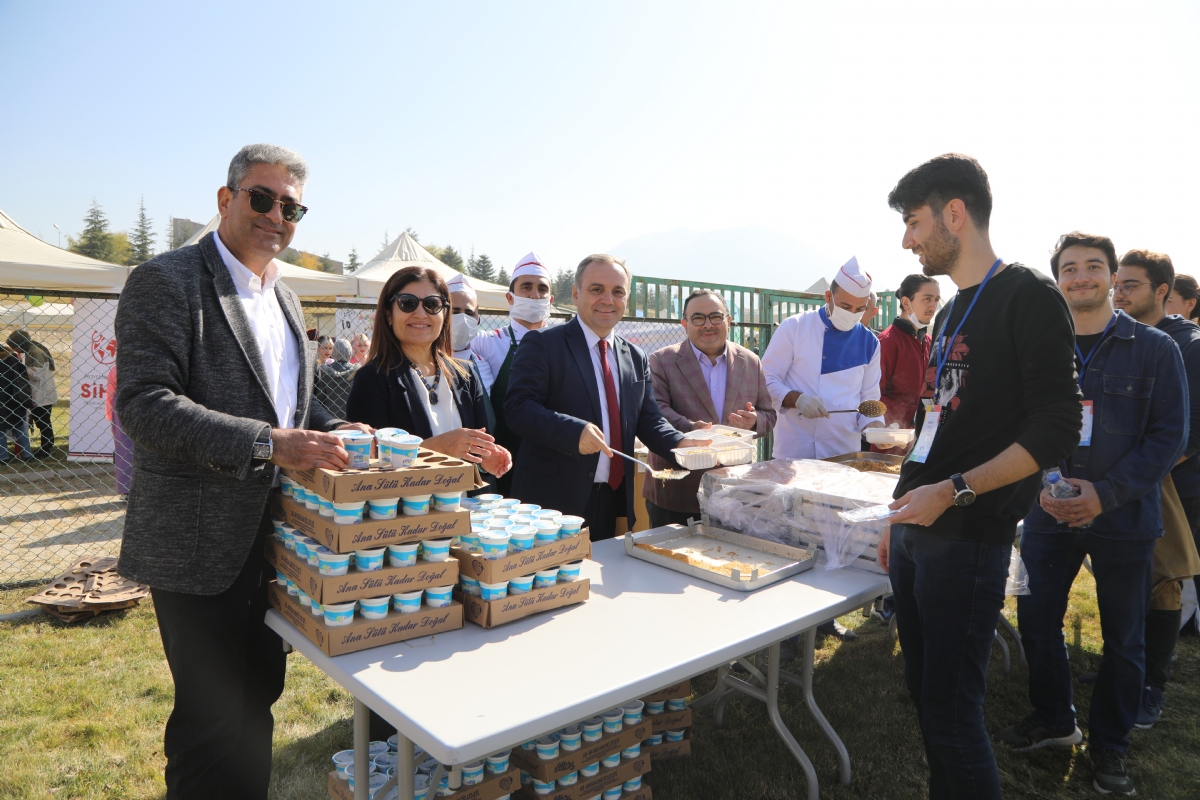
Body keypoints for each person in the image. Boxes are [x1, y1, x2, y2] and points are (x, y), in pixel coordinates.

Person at [114, 143, 369, 799]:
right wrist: (269, 444)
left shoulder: (283, 296)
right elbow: (144, 404)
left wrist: (335, 429)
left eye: (291, 207)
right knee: (209, 722)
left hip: (274, 542)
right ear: (226, 199)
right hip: (198, 544)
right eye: (262, 197)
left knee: (258, 699)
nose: (276, 215)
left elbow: (288, 408)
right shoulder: (166, 281)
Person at [877, 154, 1082, 800]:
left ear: (954, 214)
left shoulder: (1029, 295)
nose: (907, 240)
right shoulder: (948, 313)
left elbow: (1057, 429)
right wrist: (899, 507)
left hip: (968, 538)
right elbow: (933, 424)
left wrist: (953, 491)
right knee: (927, 699)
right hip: (919, 529)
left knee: (952, 713)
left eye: (914, 222)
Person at [997, 233, 1187, 796]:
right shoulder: (1037, 348)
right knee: (1036, 622)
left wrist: (1104, 494)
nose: (1081, 277)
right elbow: (1017, 424)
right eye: (1069, 268)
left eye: (1093, 266)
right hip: (1047, 512)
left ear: (1111, 275)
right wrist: (1044, 484)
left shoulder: (1155, 348)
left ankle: (1111, 746)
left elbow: (1168, 436)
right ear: (1057, 279)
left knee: (1124, 640)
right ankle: (1055, 719)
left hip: (1125, 518)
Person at [505, 254, 707, 540]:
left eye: (618, 292)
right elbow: (518, 409)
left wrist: (681, 443)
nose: (607, 300)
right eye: (597, 289)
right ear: (576, 293)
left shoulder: (635, 356)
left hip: (612, 501)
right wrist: (574, 432)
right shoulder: (543, 344)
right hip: (552, 504)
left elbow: (648, 418)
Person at [1111, 248, 1200, 730]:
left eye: (1130, 285)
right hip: (1120, 485)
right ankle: (1124, 669)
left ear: (1162, 291)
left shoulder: (1189, 345)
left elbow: (1192, 431)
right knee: (1126, 580)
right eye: (1117, 284)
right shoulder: (1120, 337)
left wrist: (1146, 471)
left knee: (1163, 586)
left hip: (1172, 488)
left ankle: (1151, 686)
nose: (1119, 293)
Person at [346, 266, 511, 477]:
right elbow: (369, 465)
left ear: (444, 313)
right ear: (389, 314)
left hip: (462, 498)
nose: (420, 314)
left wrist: (486, 461)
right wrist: (438, 447)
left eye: (432, 304)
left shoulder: (467, 375)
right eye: (408, 303)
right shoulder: (372, 379)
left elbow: (478, 453)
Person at [643, 288, 777, 527]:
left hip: (732, 494)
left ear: (729, 321)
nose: (708, 325)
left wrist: (754, 421)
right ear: (685, 324)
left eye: (715, 317)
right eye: (698, 318)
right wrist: (690, 429)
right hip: (676, 490)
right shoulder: (661, 360)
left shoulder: (750, 361)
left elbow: (769, 414)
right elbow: (654, 410)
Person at [761, 257, 886, 461]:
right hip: (795, 452)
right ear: (828, 296)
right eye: (845, 306)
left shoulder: (870, 342)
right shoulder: (795, 327)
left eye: (859, 309)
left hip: (844, 454)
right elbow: (766, 380)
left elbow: (869, 398)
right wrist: (798, 399)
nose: (852, 314)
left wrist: (877, 429)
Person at [472, 252, 555, 494]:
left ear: (550, 300)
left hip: (553, 459)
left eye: (542, 289)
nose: (534, 295)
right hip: (505, 463)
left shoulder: (563, 344)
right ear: (510, 297)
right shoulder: (487, 343)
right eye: (526, 287)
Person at [876, 275, 940, 439]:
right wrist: (913, 414)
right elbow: (874, 395)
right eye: (927, 299)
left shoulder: (930, 342)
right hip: (891, 440)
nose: (933, 306)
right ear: (906, 303)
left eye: (936, 299)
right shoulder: (887, 341)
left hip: (924, 438)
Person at [6, 329, 58, 457]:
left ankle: (46, 448)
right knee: (40, 421)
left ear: (20, 343)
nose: (16, 350)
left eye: (15, 347)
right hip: (38, 392)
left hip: (42, 393)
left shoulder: (36, 352)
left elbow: (37, 374)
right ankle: (45, 446)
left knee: (43, 421)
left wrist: (18, 368)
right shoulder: (31, 351)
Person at [447, 273, 497, 394]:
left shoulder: (483, 366)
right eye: (455, 312)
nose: (463, 319)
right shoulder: (426, 362)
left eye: (469, 314)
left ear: (478, 320)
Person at [105, 352, 133, 496]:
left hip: (121, 412)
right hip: (144, 408)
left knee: (124, 450)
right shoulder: (149, 367)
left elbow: (110, 397)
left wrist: (111, 419)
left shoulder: (116, 370)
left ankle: (126, 489)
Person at [0, 341, 33, 463]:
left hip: (1, 400)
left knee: (0, 430)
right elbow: (24, 376)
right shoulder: (14, 359)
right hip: (16, 398)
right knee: (19, 427)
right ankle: (27, 455)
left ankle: (3, 457)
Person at [313, 338, 357, 419]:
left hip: (330, 415)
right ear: (350, 352)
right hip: (351, 415)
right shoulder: (356, 371)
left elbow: (321, 396)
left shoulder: (325, 370)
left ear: (335, 352)